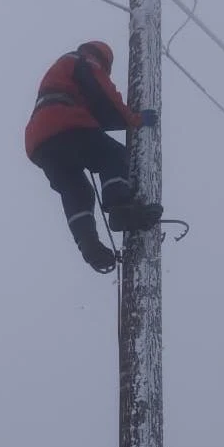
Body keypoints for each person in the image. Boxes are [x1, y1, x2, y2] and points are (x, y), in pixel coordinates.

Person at [25, 40, 162, 273]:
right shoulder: (81, 60)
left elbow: (103, 113)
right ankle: (120, 209)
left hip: (40, 141)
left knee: (77, 191)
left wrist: (125, 119)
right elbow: (103, 91)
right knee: (112, 154)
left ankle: (89, 246)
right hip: (63, 122)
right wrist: (136, 120)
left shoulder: (63, 75)